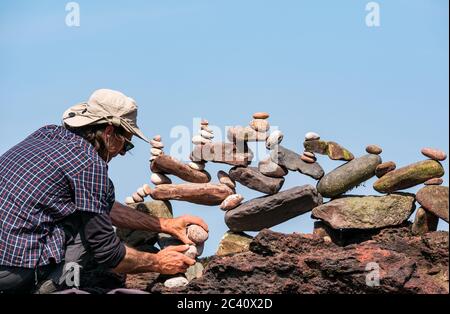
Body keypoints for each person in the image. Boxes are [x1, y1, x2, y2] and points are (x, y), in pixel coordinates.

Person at [0, 89, 208, 293]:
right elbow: (108, 252)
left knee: (84, 216)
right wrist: (158, 262)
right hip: (11, 271)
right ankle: (52, 285)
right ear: (109, 133)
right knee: (88, 229)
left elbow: (101, 207)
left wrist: (165, 225)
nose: (123, 153)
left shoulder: (47, 134)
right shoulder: (88, 164)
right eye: (126, 144)